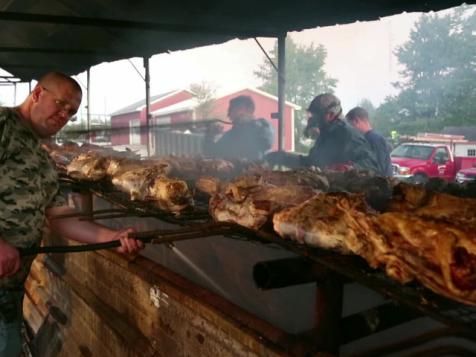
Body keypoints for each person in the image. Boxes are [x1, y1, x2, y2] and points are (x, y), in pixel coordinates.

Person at [0, 72, 144, 356]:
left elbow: (61, 216)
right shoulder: (4, 124)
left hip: (9, 287)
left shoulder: (43, 157)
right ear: (38, 94)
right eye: (61, 103)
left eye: (71, 112)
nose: (64, 115)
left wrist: (111, 237)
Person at [266, 93, 379, 172]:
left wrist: (349, 168)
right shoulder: (325, 134)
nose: (311, 119)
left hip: (343, 197)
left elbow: (372, 164)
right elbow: (312, 163)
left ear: (330, 115)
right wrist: (282, 157)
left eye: (315, 115)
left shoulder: (348, 134)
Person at [203, 95, 274, 161]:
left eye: (233, 109)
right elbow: (212, 154)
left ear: (249, 110)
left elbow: (266, 143)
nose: (229, 114)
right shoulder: (230, 135)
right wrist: (210, 136)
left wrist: (246, 126)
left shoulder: (263, 126)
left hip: (255, 172)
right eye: (229, 111)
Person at [346, 107, 393, 177]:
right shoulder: (367, 138)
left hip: (380, 184)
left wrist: (353, 166)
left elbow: (379, 167)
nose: (350, 129)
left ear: (356, 121)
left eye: (350, 125)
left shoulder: (375, 139)